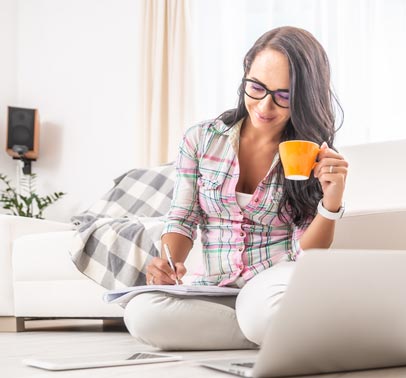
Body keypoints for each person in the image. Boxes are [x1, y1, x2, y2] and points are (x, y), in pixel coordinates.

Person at [124, 26, 348, 350]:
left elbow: (307, 250)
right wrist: (169, 263)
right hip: (216, 286)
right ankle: (276, 332)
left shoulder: (311, 153)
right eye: (256, 87)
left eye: (283, 96)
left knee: (265, 310)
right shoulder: (201, 138)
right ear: (246, 74)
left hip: (273, 280)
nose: (265, 107)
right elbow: (182, 217)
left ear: (304, 97)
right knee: (142, 314)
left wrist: (332, 201)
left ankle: (272, 325)